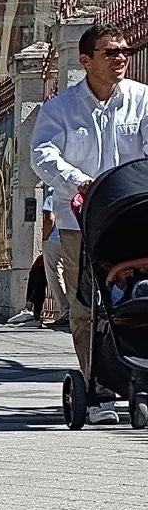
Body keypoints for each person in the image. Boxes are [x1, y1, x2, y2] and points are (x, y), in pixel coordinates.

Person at [33, 22, 148, 393]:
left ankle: (137, 374)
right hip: (79, 219)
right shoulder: (60, 109)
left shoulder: (142, 99)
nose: (120, 58)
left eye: (125, 52)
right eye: (110, 52)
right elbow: (42, 154)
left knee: (135, 294)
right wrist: (78, 180)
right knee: (85, 304)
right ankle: (95, 383)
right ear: (85, 60)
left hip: (136, 215)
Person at [38, 200, 69, 329]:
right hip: (74, 237)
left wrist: (44, 239)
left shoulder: (54, 190)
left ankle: (65, 310)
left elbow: (49, 218)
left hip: (55, 239)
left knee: (54, 275)